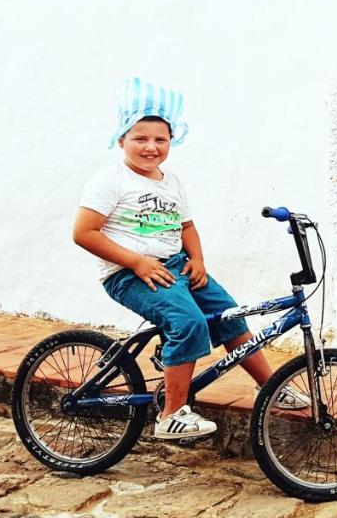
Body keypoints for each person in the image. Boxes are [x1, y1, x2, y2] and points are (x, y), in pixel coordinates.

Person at [73, 79, 308, 441]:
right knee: (189, 322)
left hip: (178, 265)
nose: (150, 147)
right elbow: (84, 232)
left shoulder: (171, 182)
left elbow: (187, 226)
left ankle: (273, 387)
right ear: (121, 140)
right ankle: (171, 415)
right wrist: (137, 262)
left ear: (171, 142)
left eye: (160, 140)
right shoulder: (109, 181)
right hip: (131, 274)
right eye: (140, 139)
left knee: (232, 317)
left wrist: (197, 260)